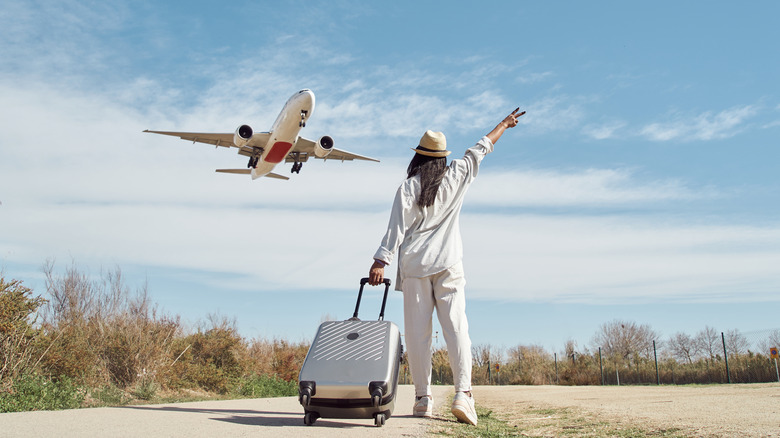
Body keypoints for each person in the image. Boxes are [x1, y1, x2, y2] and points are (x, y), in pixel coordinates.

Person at [368, 107, 525, 425]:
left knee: (417, 335)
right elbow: (481, 149)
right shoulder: (457, 175)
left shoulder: (410, 187)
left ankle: (423, 398)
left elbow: (396, 228)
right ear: (441, 158)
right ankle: (463, 394)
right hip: (449, 263)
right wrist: (503, 125)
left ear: (419, 157)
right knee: (457, 329)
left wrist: (380, 261)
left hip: (415, 267)